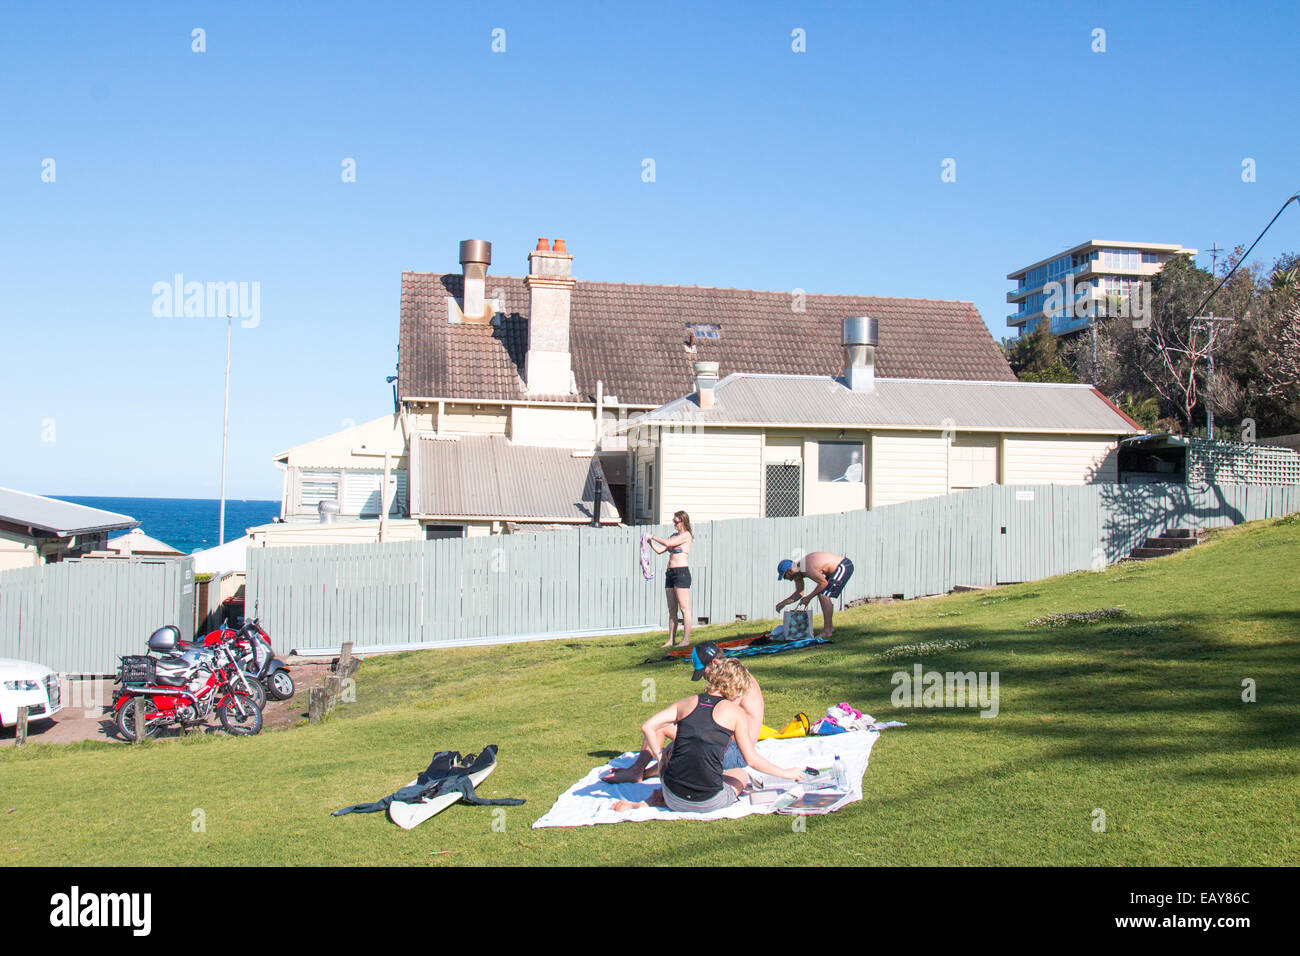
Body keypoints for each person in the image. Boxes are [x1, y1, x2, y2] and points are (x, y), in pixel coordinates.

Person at [609, 658, 803, 813]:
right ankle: (659, 800)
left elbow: (648, 726)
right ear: (735, 687)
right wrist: (786, 773)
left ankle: (654, 799)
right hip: (707, 802)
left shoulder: (688, 702)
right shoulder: (735, 714)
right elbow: (751, 759)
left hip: (672, 795)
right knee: (740, 775)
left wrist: (660, 759)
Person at [602, 642, 764, 784]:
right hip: (723, 743)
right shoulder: (730, 678)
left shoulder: (737, 682)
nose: (705, 678)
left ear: (714, 663)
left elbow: (716, 722)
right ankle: (639, 770)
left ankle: (641, 772)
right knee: (663, 729)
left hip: (737, 751)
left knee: (681, 743)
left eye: (704, 673)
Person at [776, 551, 854, 639]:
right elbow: (799, 593)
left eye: (785, 577)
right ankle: (830, 628)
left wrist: (808, 598)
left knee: (823, 595)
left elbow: (823, 583)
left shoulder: (805, 567)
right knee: (822, 594)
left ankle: (827, 631)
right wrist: (782, 604)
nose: (787, 579)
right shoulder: (797, 573)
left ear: (789, 571)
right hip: (834, 570)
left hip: (843, 566)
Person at [647, 510, 693, 648]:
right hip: (670, 573)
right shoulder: (674, 536)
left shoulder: (686, 535)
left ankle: (685, 640)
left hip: (681, 573)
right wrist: (649, 543)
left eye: (676, 522)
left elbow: (667, 543)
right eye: (673, 522)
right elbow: (661, 550)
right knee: (672, 609)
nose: (674, 525)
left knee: (684, 608)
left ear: (683, 522)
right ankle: (671, 640)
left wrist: (653, 536)